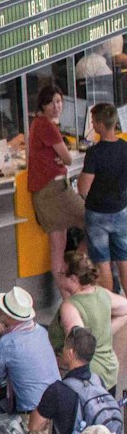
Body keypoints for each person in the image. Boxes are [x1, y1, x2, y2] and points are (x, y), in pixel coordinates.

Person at [0, 286, 58, 414]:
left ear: (8, 317)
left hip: (32, 411)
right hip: (55, 401)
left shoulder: (7, 343)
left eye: (2, 310)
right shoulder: (41, 331)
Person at [56, 252, 127, 392]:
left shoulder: (70, 307)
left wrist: (60, 362)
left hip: (88, 379)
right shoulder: (103, 294)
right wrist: (105, 331)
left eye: (63, 274)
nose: (60, 277)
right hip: (109, 371)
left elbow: (78, 346)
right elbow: (125, 308)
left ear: (74, 278)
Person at [28, 83, 73, 280]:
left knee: (58, 246)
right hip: (53, 190)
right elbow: (68, 159)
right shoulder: (47, 126)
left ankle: (68, 291)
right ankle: (78, 269)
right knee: (95, 223)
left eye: (59, 102)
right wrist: (61, 156)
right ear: (43, 106)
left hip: (46, 191)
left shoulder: (39, 123)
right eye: (51, 103)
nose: (56, 107)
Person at [82, 102, 127, 292]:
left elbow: (84, 187)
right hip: (121, 210)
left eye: (93, 121)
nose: (92, 124)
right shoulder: (125, 148)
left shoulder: (94, 153)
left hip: (98, 213)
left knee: (103, 262)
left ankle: (110, 306)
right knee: (124, 259)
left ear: (101, 124)